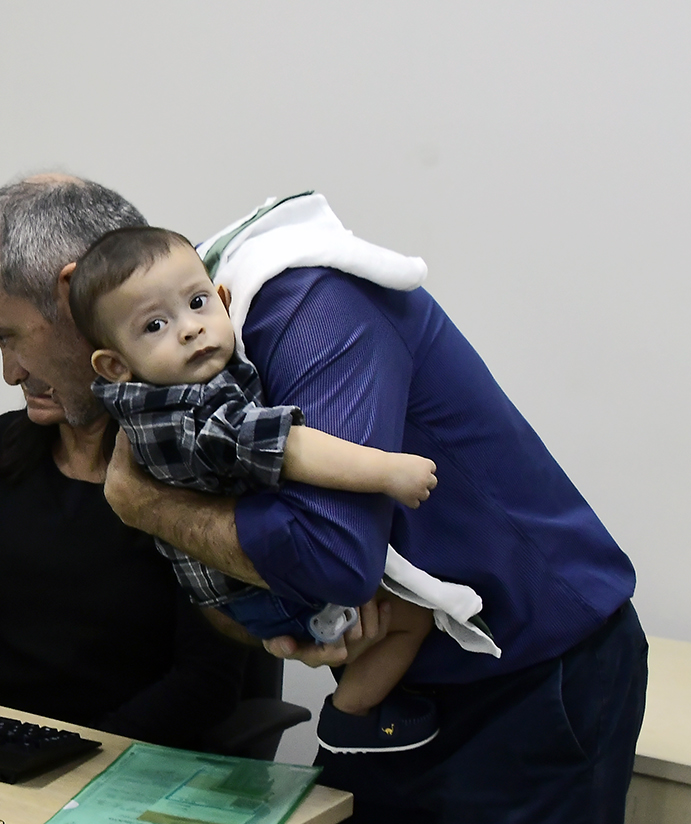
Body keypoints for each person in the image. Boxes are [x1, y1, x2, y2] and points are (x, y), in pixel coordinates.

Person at [96, 192, 645, 824]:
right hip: (402, 693)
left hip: (541, 673)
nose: (14, 374)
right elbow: (247, 598)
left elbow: (331, 558)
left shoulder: (312, 307)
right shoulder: (159, 391)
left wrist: (144, 504)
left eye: (6, 339)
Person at [68, 224, 454, 749]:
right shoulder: (181, 419)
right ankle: (352, 714)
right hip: (258, 590)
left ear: (223, 300)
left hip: (242, 587)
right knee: (411, 612)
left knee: (384, 600)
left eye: (198, 303)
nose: (188, 329)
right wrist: (387, 470)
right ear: (115, 365)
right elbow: (288, 447)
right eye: (155, 325)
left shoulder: (185, 384)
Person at [0, 177, 252, 750]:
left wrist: (62, 762)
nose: (11, 373)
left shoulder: (194, 464)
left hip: (122, 779)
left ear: (78, 309)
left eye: (10, 338)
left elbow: (206, 682)